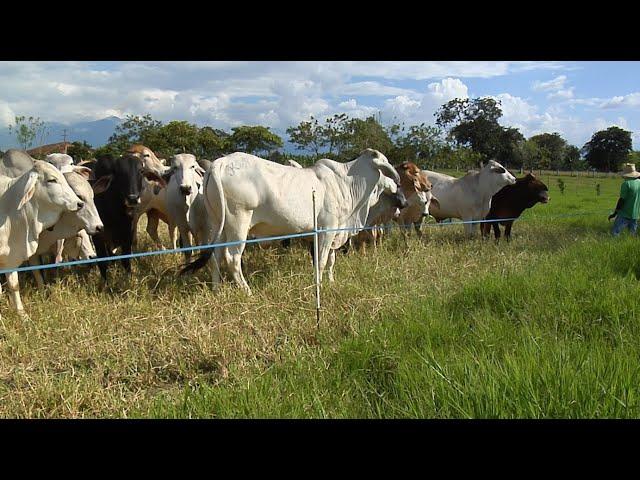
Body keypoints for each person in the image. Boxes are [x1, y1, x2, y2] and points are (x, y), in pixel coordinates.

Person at [609, 163, 640, 236]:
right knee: (632, 235)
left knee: (615, 233)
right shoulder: (639, 182)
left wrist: (615, 213)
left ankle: (614, 247)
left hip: (624, 214)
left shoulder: (626, 184)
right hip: (635, 214)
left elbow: (621, 200)